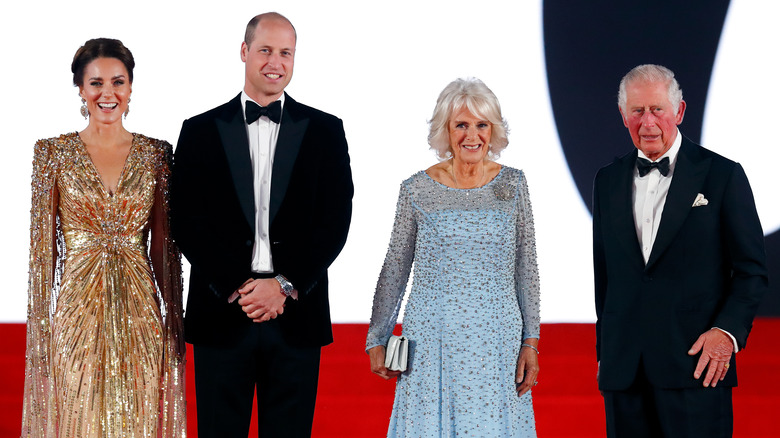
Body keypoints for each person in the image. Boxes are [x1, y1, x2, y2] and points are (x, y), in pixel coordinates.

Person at [170, 12, 353, 438]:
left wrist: (284, 285)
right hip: (223, 313)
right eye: (266, 50)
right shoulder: (199, 130)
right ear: (244, 52)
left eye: (286, 52)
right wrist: (238, 285)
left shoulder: (326, 130)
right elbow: (186, 218)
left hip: (296, 315)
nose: (276, 62)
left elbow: (334, 220)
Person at [21, 38, 186, 437]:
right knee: (81, 418)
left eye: (118, 82)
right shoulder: (53, 154)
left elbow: (165, 247)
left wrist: (175, 319)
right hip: (77, 310)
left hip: (140, 309)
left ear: (131, 88)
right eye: (96, 83)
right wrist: (42, 327)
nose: (107, 93)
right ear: (80, 88)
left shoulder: (157, 154)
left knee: (139, 417)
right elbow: (42, 255)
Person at [592, 64, 768, 437]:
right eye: (637, 111)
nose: (648, 122)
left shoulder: (722, 175)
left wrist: (727, 332)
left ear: (680, 112)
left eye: (657, 109)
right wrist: (605, 353)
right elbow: (605, 277)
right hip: (625, 373)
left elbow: (752, 271)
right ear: (624, 116)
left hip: (697, 368)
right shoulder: (606, 180)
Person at [366, 77, 541, 437]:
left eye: (481, 125)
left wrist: (531, 341)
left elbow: (527, 267)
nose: (471, 135)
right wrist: (376, 337)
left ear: (493, 131)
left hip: (498, 341)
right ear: (446, 130)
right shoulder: (416, 189)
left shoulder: (514, 185)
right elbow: (395, 267)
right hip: (431, 340)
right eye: (461, 124)